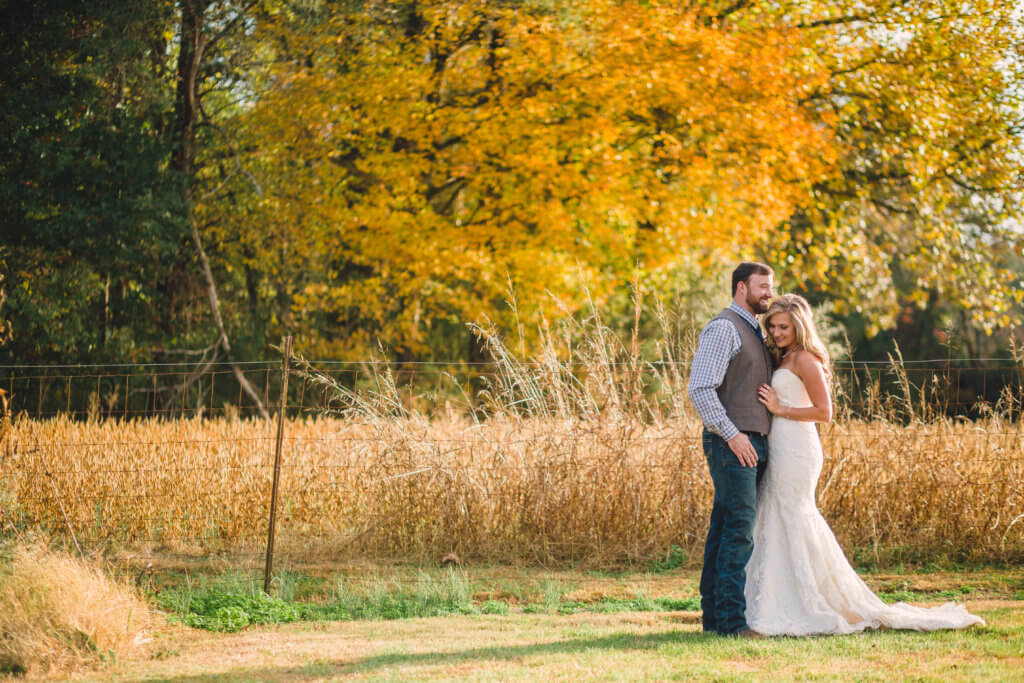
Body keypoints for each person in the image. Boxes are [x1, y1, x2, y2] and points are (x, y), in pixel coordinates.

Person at [746, 293, 984, 635]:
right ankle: (774, 599)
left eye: (783, 326)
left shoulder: (805, 360)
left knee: (794, 515)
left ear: (799, 326)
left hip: (797, 447)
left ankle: (807, 602)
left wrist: (781, 409)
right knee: (775, 514)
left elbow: (824, 413)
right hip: (780, 445)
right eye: (773, 325)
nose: (777, 331)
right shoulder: (785, 358)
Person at [688, 261, 775, 637]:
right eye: (762, 287)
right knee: (739, 529)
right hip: (731, 443)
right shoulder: (725, 328)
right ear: (741, 288)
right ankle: (731, 623)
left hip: (749, 441)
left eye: (771, 287)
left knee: (725, 527)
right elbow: (701, 388)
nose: (769, 294)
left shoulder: (755, 331)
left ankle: (715, 619)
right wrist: (732, 434)